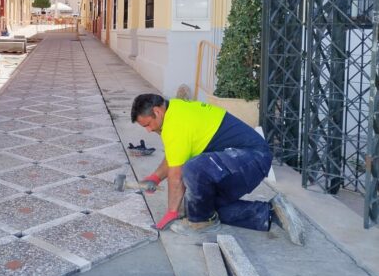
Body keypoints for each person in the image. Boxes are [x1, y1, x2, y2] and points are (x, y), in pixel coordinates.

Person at [130, 93, 305, 245]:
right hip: (240, 162)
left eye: (147, 125)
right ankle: (271, 213)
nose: (148, 130)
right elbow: (175, 155)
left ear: (157, 112)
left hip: (251, 158)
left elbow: (177, 173)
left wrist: (171, 212)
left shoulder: (176, 124)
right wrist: (155, 177)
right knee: (202, 206)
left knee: (192, 169)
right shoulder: (175, 109)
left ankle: (201, 223)